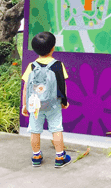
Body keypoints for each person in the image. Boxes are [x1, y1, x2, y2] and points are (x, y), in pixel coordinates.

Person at [21, 32, 71, 168]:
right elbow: (62, 85)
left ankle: (36, 156)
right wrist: (64, 101)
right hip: (53, 104)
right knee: (56, 129)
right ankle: (60, 157)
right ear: (53, 48)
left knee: (35, 130)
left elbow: (26, 88)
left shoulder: (31, 66)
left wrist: (25, 105)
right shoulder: (58, 65)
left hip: (35, 104)